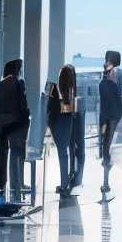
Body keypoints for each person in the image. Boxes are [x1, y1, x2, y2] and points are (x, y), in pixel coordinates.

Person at [0, 58, 28, 198]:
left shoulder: (1, 85)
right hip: (17, 124)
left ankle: (1, 183)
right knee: (17, 153)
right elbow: (23, 105)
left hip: (1, 124)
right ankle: (17, 185)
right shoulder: (19, 84)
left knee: (2, 154)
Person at [95, 50, 122, 199]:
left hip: (112, 114)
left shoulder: (116, 73)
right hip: (107, 113)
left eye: (109, 59)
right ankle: (105, 181)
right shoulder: (107, 74)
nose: (107, 62)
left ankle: (106, 182)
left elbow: (113, 90)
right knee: (104, 147)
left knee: (106, 147)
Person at [51, 64, 81, 195]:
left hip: (57, 122)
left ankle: (64, 184)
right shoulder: (72, 92)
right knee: (67, 153)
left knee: (62, 153)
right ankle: (67, 182)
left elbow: (51, 110)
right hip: (67, 122)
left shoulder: (55, 90)